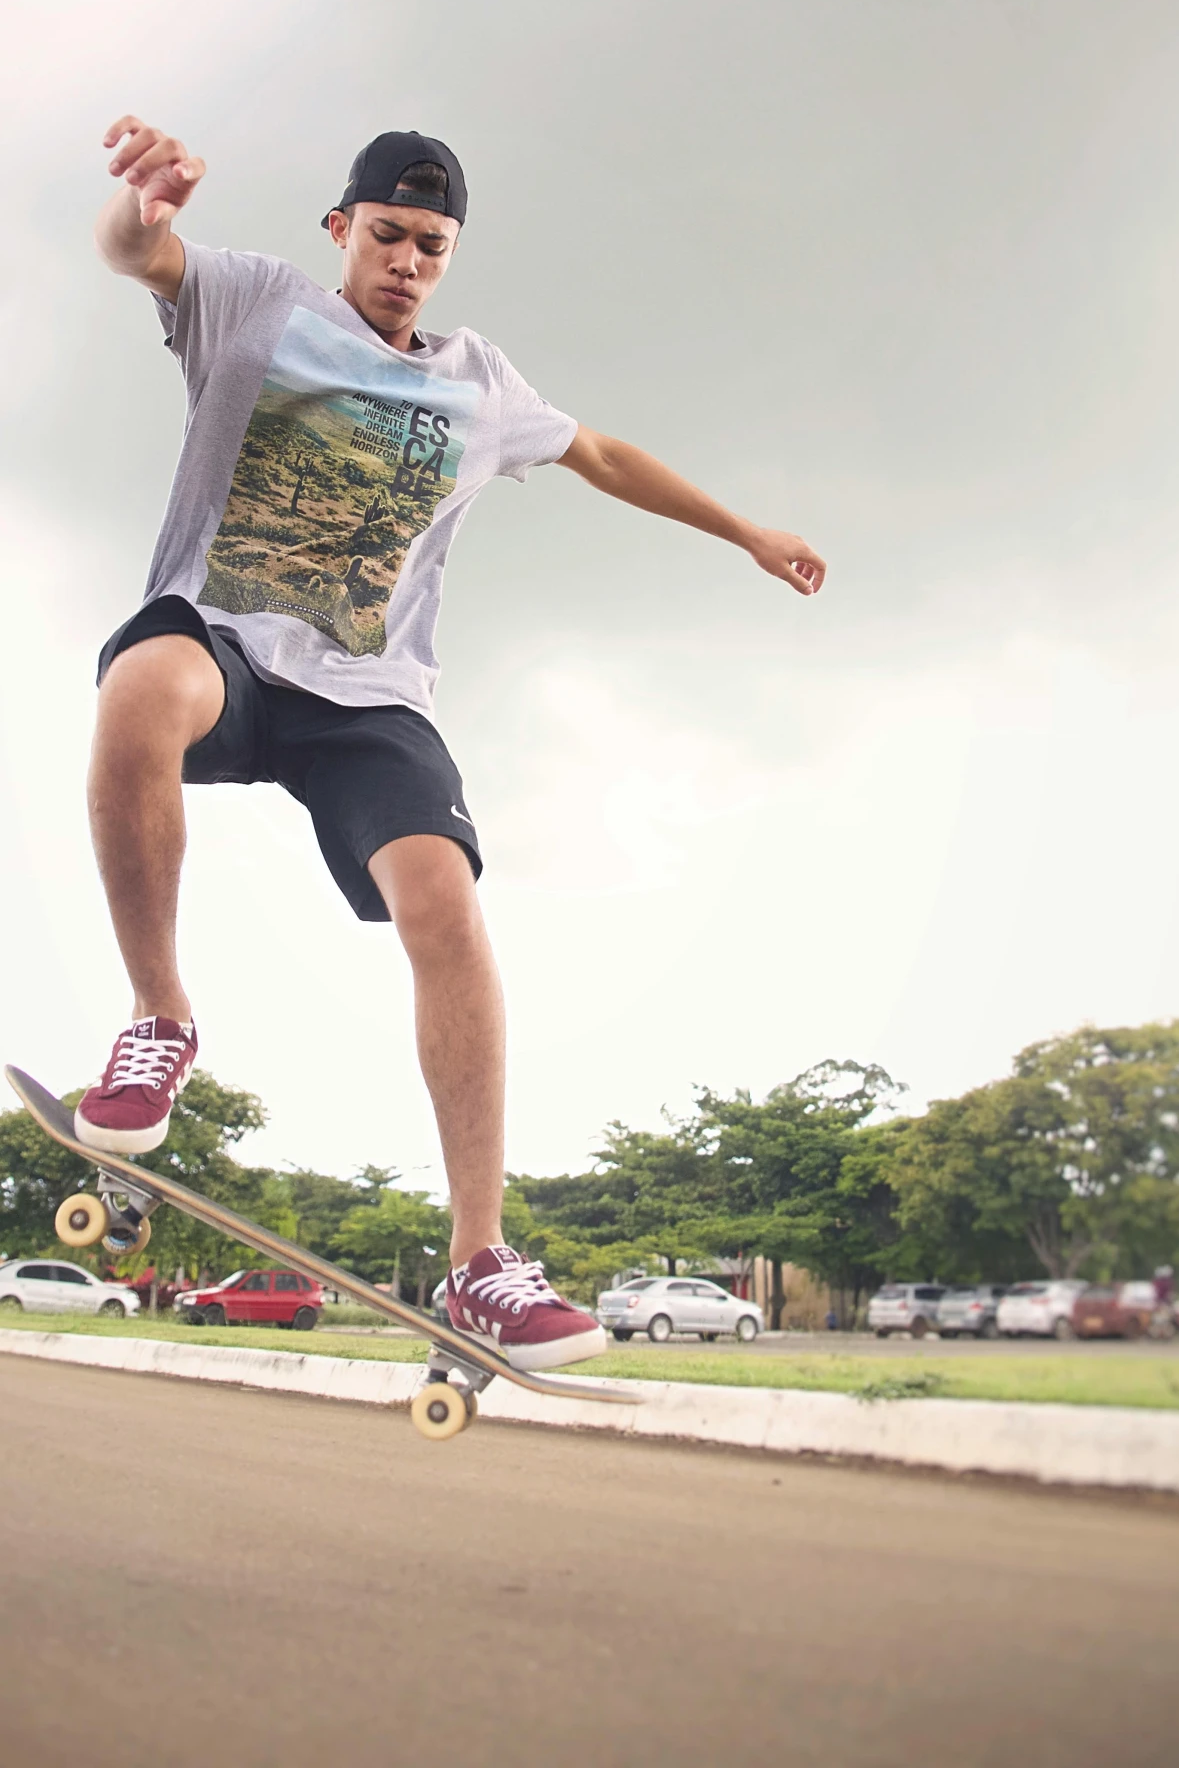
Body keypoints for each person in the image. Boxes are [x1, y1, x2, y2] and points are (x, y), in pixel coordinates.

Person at [75, 116, 826, 1370]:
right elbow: (135, 256)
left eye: (431, 245)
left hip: (371, 699)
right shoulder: (256, 301)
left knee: (445, 902)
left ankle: (480, 1260)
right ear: (340, 231)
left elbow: (604, 455)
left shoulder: (480, 381)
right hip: (230, 650)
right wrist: (143, 207)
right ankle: (160, 1017)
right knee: (141, 684)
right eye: (386, 236)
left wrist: (742, 530)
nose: (408, 262)